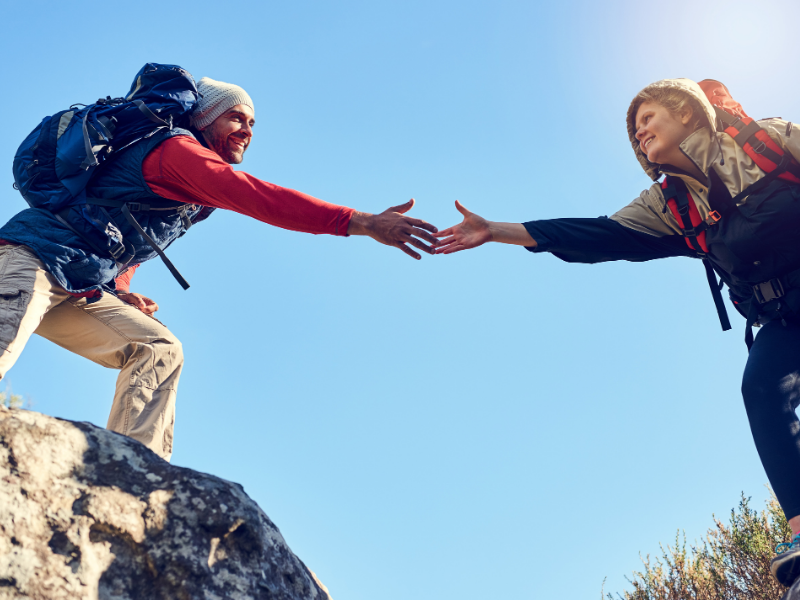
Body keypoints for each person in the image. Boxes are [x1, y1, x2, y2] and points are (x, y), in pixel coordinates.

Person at [434, 77, 800, 587]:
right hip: (784, 319)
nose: (640, 128)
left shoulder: (766, 141)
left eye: (650, 116)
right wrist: (498, 231)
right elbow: (599, 235)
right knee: (760, 387)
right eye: (635, 127)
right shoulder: (667, 205)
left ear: (689, 114)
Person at [0, 76, 438, 462]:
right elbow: (256, 196)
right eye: (236, 118)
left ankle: (133, 472)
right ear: (205, 119)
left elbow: (123, 240)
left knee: (158, 349)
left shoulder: (189, 193)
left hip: (77, 282)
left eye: (252, 123)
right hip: (29, 259)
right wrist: (361, 221)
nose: (247, 130)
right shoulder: (174, 151)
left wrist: (117, 290)